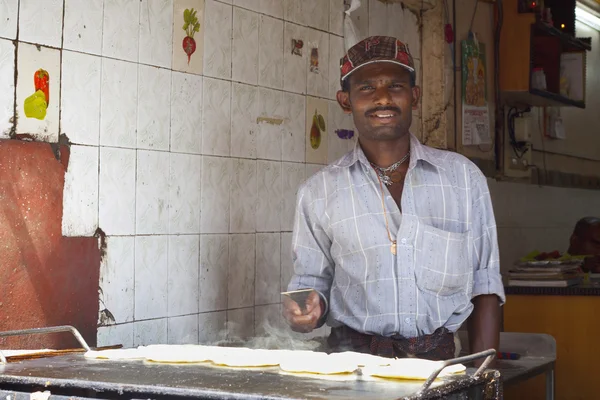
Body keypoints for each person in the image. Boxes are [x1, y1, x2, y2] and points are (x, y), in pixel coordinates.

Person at [283, 36, 505, 362]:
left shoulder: (463, 180)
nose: (383, 98)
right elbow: (308, 284)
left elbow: (485, 286)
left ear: (414, 96)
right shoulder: (319, 192)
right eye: (367, 88)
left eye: (396, 86)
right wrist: (303, 308)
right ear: (346, 101)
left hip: (438, 372)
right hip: (352, 373)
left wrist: (486, 382)